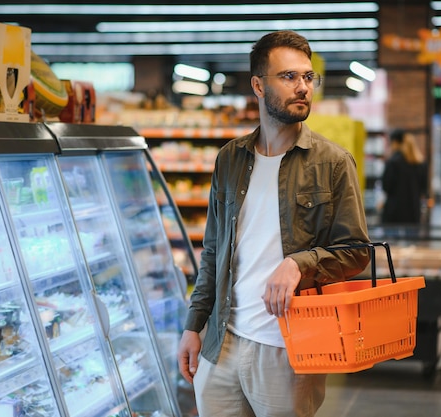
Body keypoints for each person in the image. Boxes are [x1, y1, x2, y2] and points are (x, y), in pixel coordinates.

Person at [177, 30, 370, 417]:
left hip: (289, 351)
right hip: (221, 343)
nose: (302, 87)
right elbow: (213, 252)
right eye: (288, 77)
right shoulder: (229, 159)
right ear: (258, 85)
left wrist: (298, 264)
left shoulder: (333, 163)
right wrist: (193, 325)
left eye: (307, 77)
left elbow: (356, 252)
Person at [381, 129, 427, 224]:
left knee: (391, 239)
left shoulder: (393, 162)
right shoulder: (420, 163)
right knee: (412, 238)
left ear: (395, 142)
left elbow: (386, 186)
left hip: (394, 213)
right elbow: (424, 188)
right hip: (413, 212)